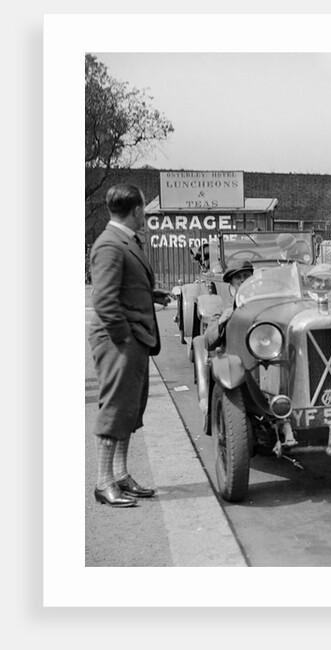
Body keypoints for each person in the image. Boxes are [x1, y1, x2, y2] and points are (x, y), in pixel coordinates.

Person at [88, 184, 170, 508]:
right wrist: (124, 339)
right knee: (115, 409)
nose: (145, 215)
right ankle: (103, 482)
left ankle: (120, 476)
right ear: (136, 210)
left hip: (133, 338)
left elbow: (123, 289)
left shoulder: (122, 241)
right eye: (144, 210)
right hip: (120, 340)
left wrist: (151, 295)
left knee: (130, 410)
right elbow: (105, 300)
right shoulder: (110, 244)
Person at [204, 260, 254, 350]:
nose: (243, 280)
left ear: (252, 278)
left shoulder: (262, 300)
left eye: (246, 276)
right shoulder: (224, 306)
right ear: (231, 282)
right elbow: (208, 341)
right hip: (235, 353)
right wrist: (221, 321)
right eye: (238, 277)